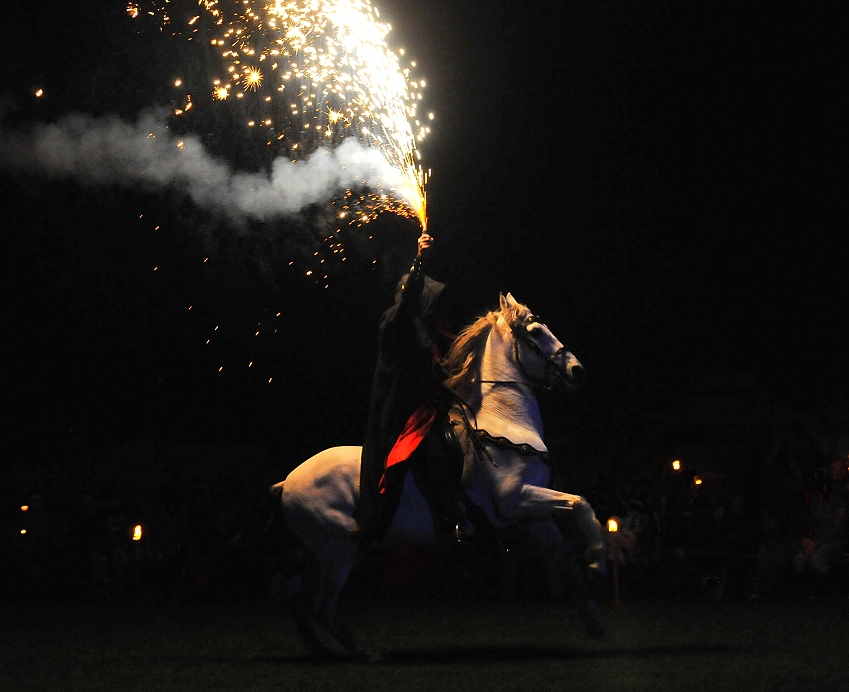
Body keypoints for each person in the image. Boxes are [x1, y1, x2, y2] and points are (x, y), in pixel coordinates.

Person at [355, 231, 456, 549]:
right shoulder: (397, 321)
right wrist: (420, 260)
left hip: (427, 411)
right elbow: (411, 297)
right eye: (432, 300)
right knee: (434, 459)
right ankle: (437, 524)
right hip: (403, 419)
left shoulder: (429, 333)